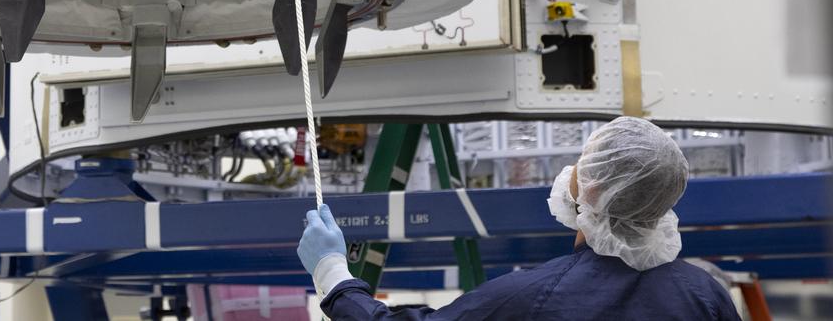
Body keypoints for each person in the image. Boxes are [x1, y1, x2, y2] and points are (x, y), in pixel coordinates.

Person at [297, 117, 741, 320]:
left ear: (591, 190)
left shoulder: (532, 298)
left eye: (585, 162)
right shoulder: (705, 297)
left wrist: (332, 273)